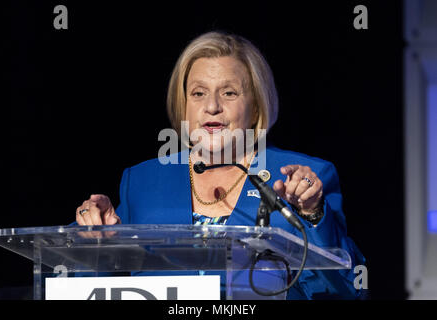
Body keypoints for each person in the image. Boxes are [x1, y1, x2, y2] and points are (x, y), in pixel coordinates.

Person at [74, 31, 365, 299]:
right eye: (198, 93)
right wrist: (97, 239)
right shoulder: (143, 182)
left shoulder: (303, 179)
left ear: (256, 106)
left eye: (229, 92)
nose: (211, 106)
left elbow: (347, 291)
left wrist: (312, 215)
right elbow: (90, 286)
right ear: (183, 104)